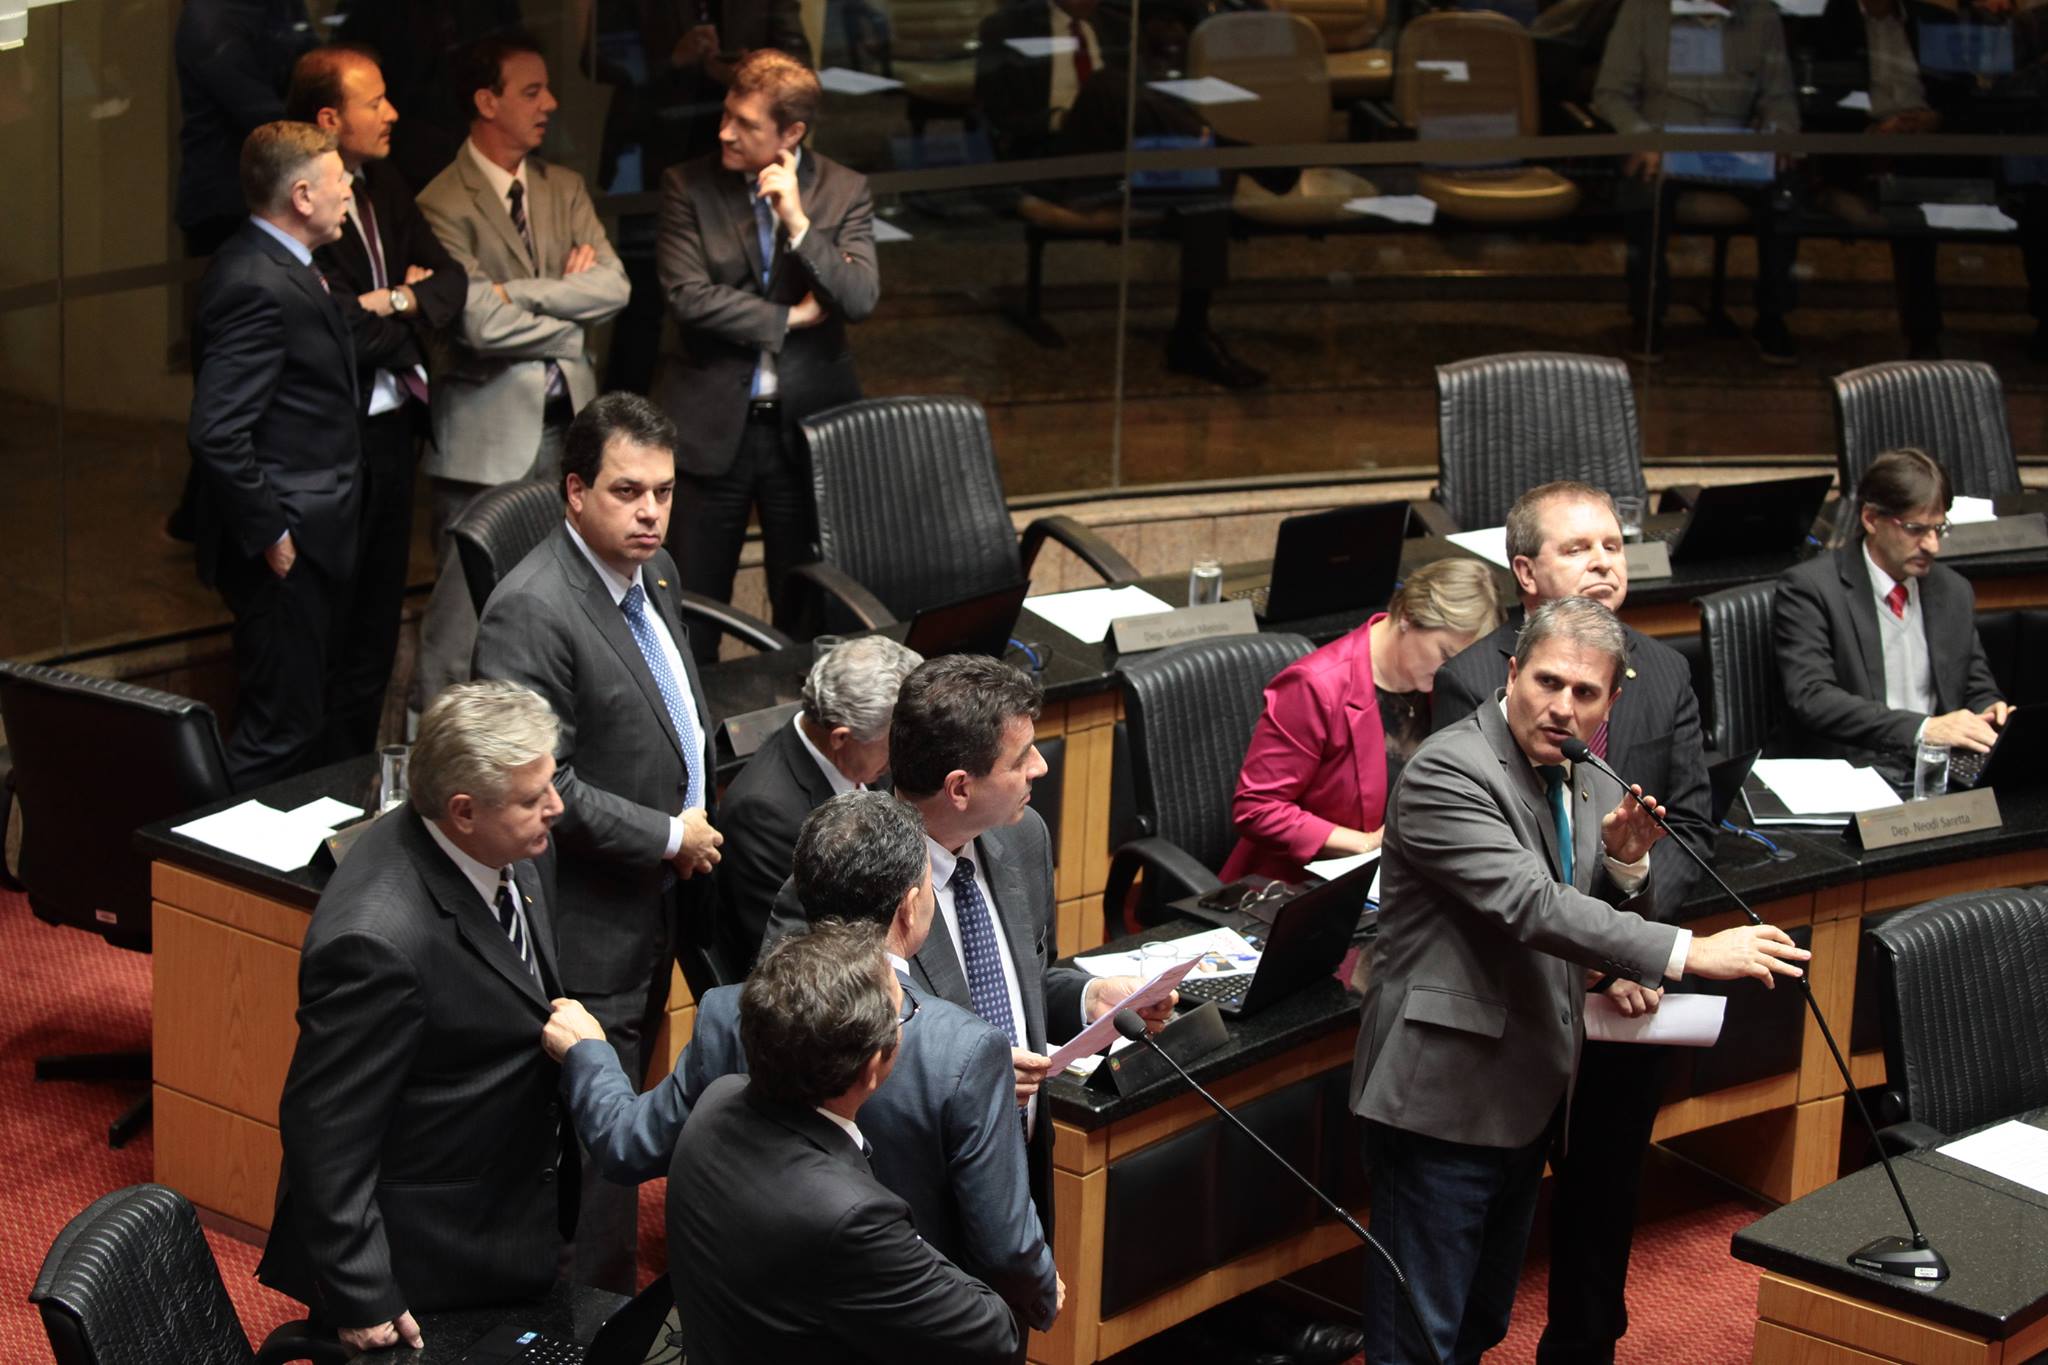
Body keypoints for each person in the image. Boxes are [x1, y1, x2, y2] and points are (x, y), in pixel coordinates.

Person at [1351, 597, 1810, 1365]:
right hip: (1440, 1099)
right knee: (1417, 1342)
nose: (1561, 707)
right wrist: (1690, 953)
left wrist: (1629, 866)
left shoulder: (1591, 775)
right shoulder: (1448, 771)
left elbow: (1589, 923)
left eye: (1585, 692)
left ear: (1611, 701)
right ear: (1512, 672)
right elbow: (1532, 906)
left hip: (1528, 1094)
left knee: (1480, 1323)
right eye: (1547, 681)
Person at [546, 791, 1063, 1333]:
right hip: (913, 1333)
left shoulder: (729, 1012)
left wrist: (589, 1053)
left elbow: (628, 1145)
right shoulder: (966, 1050)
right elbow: (1005, 1245)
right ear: (911, 905)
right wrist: (1042, 1293)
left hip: (756, 1325)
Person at [1431, 480, 1714, 1365]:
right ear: (1524, 573)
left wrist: (1635, 920)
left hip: (1631, 995)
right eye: (1577, 548)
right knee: (1495, 1206)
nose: (1603, 562)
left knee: (1606, 1193)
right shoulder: (1473, 679)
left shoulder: (1664, 669)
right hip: (1522, 990)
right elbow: (1496, 862)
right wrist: (1606, 951)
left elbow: (1690, 826)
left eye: (1613, 546)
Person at [770, 656, 1173, 1226]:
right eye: (1021, 757)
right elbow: (801, 1058)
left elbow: (1024, 982)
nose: (1040, 768)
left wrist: (1088, 1000)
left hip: (1021, 1177)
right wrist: (963, 1078)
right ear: (959, 787)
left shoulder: (1024, 836)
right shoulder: (838, 877)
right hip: (906, 1206)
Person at [471, 392, 722, 1292]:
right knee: (597, 1156)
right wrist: (666, 834)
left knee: (626, 1122)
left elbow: (674, 713)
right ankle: (590, 1321)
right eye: (628, 491)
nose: (652, 511)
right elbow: (541, 788)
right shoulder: (530, 611)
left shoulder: (655, 576)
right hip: (583, 922)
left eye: (663, 490)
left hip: (657, 902)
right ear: (575, 492)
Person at [257, 680, 573, 1352]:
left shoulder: (504, 846)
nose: (557, 806)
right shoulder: (376, 941)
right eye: (533, 797)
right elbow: (325, 1129)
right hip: (427, 1262)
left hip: (506, 1212)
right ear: (462, 810)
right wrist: (362, 1291)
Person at [664, 919, 1024, 1363]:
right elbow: (993, 1332)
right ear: (873, 1067)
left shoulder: (716, 1103)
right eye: (904, 1012)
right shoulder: (854, 1218)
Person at [414, 30, 631, 713]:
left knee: (558, 602)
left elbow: (616, 287)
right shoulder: (441, 204)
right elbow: (475, 321)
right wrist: (570, 314)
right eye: (531, 91)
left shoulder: (562, 188)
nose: (550, 103)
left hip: (569, 431)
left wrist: (521, 293)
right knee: (460, 621)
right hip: (486, 440)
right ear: (486, 101)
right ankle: (421, 763)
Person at [649, 49, 879, 660]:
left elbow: (858, 296)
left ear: (792, 133)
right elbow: (686, 296)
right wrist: (790, 317)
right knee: (690, 612)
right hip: (709, 429)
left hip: (804, 435)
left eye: (746, 124)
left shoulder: (844, 190)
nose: (725, 131)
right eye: (727, 115)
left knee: (807, 612)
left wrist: (800, 225)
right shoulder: (686, 185)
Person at [287, 45, 467, 757]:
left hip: (395, 438)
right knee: (323, 634)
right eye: (375, 102)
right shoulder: (296, 202)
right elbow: (338, 333)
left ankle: (356, 790)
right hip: (329, 445)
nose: (392, 114)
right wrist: (405, 316)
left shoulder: (385, 185)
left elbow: (450, 286)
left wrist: (393, 301)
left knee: (374, 631)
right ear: (329, 118)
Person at [187, 121, 361, 792]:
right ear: (301, 195)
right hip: (285, 549)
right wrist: (275, 535)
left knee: (301, 719)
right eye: (338, 178)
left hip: (316, 535)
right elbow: (217, 431)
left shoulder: (288, 264)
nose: (349, 189)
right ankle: (200, 877)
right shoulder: (254, 282)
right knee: (276, 732)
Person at [974, 0, 1263, 389]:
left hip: (1123, 167)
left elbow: (1149, 101)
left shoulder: (1118, 26)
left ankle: (1192, 333)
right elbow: (995, 116)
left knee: (1207, 175)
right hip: (1058, 163)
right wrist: (1064, 117)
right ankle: (1244, 153)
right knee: (1105, 84)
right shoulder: (1006, 27)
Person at [1222, 557, 1504, 883]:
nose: (1451, 669)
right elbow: (1257, 808)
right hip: (1303, 885)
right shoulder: (1315, 686)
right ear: (1409, 618)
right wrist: (1367, 844)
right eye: (1445, 653)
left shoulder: (1446, 684)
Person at [1593, 0, 1802, 364]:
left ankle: (1772, 316)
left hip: (1736, 147)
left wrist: (1780, 134)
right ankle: (1647, 316)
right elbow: (1610, 94)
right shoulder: (1643, 10)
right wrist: (1643, 137)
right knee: (1644, 190)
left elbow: (1779, 96)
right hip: (1663, 141)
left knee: (1785, 194)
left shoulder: (1763, 14)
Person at [1775, 447, 2009, 771]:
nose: (1932, 545)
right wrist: (1923, 729)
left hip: (1937, 771)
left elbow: (1975, 684)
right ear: (1871, 519)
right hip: (1859, 773)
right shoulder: (1811, 588)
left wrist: (1989, 708)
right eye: (1916, 530)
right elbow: (1813, 698)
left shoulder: (1953, 590)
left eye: (1939, 529)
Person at [715, 635, 924, 973]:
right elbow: (801, 957)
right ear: (841, 737)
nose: (903, 754)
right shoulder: (763, 815)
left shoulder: (864, 756)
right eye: (893, 742)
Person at [174, 0, 317, 256]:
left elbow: (314, 68)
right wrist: (326, 137)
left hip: (283, 180)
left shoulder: (281, 7)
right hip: (228, 199)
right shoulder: (211, 17)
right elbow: (257, 110)